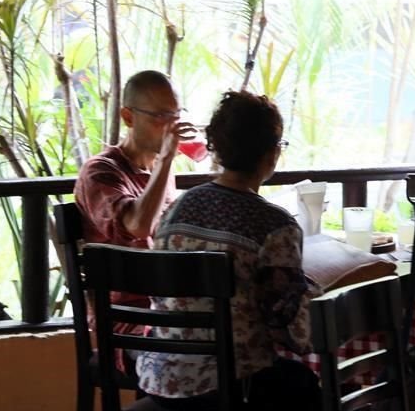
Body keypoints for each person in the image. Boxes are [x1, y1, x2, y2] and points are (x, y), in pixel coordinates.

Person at [137, 91, 321, 411]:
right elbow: (291, 332)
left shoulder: (177, 210)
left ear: (217, 149)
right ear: (272, 154)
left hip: (160, 381)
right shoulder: (274, 225)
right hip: (232, 389)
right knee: (305, 384)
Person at [74, 70, 194, 334]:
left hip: (166, 307)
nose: (171, 126)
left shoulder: (159, 172)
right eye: (161, 116)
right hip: (127, 320)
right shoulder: (100, 172)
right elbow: (137, 226)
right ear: (128, 117)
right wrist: (165, 160)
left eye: (176, 115)